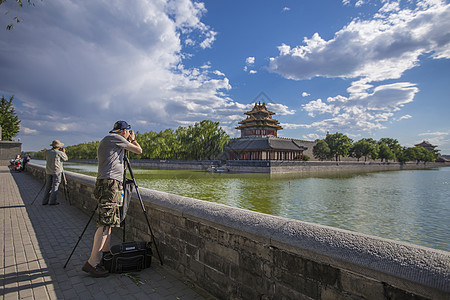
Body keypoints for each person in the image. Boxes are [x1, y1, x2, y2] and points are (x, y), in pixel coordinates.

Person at [82, 121, 142, 277]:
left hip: (109, 183)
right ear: (123, 131)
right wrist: (133, 139)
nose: (129, 133)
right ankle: (92, 262)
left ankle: (106, 256)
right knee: (105, 223)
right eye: (128, 131)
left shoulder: (111, 140)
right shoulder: (113, 138)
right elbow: (138, 150)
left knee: (108, 224)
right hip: (110, 184)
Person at [42, 140, 68, 205]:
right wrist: (64, 152)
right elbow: (66, 159)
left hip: (48, 171)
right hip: (57, 171)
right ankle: (52, 201)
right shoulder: (59, 153)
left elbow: (45, 158)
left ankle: (44, 201)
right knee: (55, 186)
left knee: (48, 186)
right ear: (58, 146)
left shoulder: (47, 152)